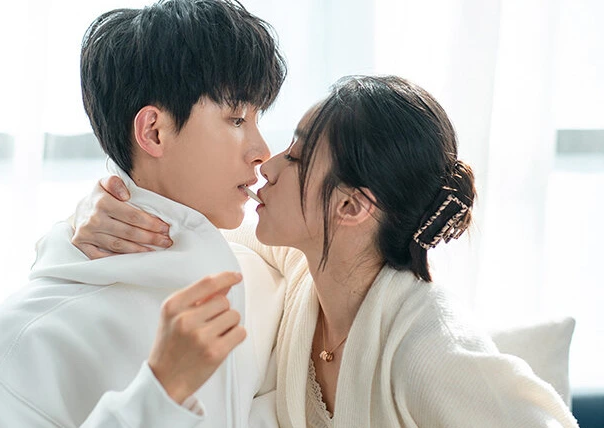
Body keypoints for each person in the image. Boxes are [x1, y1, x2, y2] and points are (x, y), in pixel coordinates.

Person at [74, 75, 580, 427]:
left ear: (350, 206)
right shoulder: (307, 269)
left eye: (296, 157)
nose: (267, 165)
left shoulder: (429, 350)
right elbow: (193, 228)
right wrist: (98, 208)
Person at [0, 1, 287, 426]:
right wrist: (159, 393)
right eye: (238, 118)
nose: (262, 151)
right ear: (154, 131)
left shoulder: (259, 285)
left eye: (258, 119)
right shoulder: (29, 333)